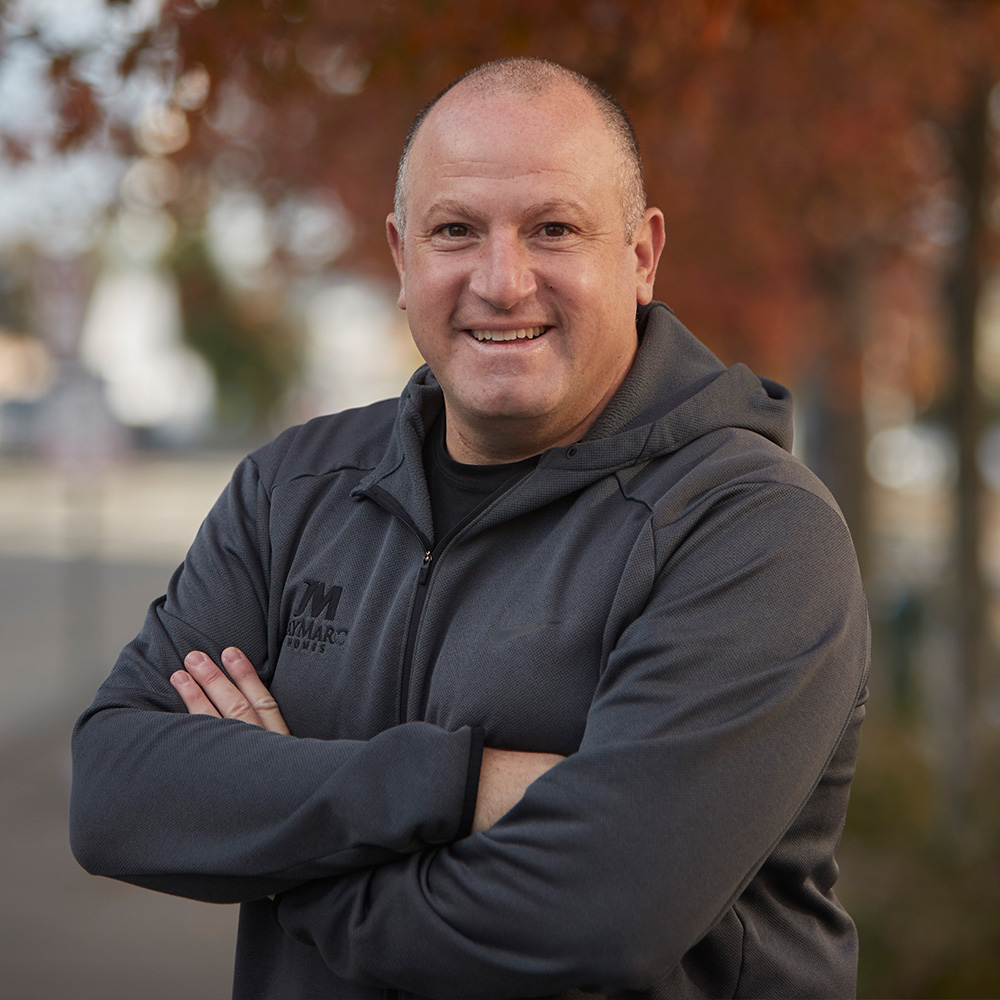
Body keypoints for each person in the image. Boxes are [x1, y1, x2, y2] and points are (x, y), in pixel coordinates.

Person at [70, 57, 870, 999]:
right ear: (403, 259)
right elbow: (117, 793)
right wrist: (465, 785)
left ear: (642, 255)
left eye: (554, 229)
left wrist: (292, 863)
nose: (502, 280)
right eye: (456, 231)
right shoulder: (293, 491)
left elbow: (598, 913)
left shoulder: (750, 532)